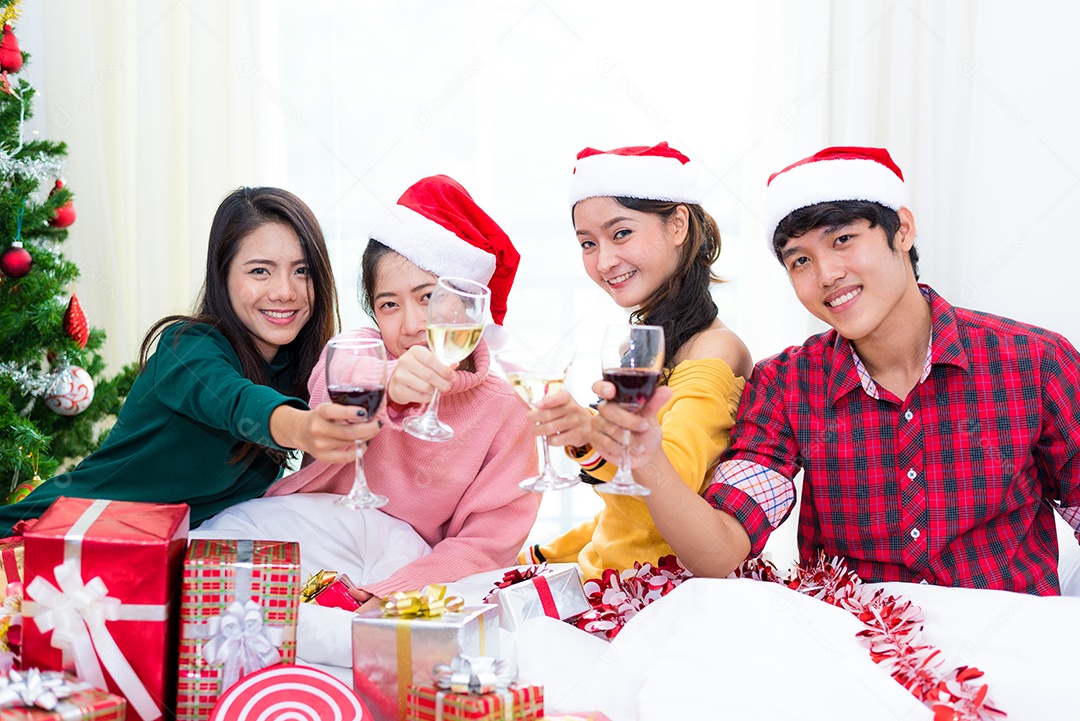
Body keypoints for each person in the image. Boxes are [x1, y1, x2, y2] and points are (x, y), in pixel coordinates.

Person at [645, 146, 1080, 594]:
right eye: (800, 260)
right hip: (855, 646)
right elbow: (717, 555)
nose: (827, 274)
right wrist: (645, 458)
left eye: (843, 240)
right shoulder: (785, 384)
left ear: (903, 231)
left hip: (1010, 648)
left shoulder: (1035, 362)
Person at [198, 175, 541, 610]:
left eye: (429, 297)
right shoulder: (357, 352)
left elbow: (485, 547)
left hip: (416, 576)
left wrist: (390, 595)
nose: (412, 324)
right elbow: (328, 398)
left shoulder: (507, 411)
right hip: (315, 539)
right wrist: (389, 384)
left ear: (472, 307)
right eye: (389, 305)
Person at [0, 187, 376, 534]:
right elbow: (233, 400)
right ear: (222, 274)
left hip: (142, 564)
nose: (285, 291)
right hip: (46, 536)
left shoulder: (296, 368)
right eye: (260, 271)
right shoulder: (186, 348)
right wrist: (303, 427)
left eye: (302, 271)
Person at [520, 142, 753, 579]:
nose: (605, 261)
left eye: (621, 233)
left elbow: (672, 477)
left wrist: (591, 434)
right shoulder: (652, 342)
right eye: (588, 243)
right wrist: (541, 556)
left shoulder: (714, 350)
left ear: (678, 223)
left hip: (658, 594)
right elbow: (628, 516)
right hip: (614, 579)